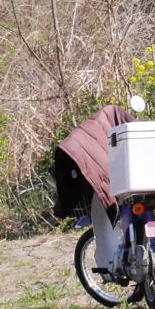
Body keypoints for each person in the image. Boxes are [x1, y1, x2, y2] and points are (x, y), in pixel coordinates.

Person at [53, 104, 138, 273]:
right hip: (137, 184)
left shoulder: (86, 135)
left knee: (104, 215)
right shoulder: (118, 128)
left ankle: (113, 267)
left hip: (115, 183)